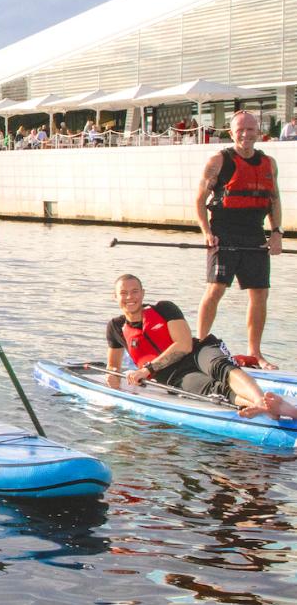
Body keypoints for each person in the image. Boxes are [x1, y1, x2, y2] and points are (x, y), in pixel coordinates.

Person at [107, 275, 296, 419]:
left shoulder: (164, 308)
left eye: (135, 291)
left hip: (198, 352)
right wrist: (112, 382)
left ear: (143, 293)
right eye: (123, 293)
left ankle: (259, 401)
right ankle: (271, 408)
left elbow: (184, 345)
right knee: (215, 390)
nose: (130, 297)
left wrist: (146, 370)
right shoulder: (115, 327)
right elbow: (113, 366)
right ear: (114, 297)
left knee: (220, 367)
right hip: (173, 377)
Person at [195, 110, 283, 369]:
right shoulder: (218, 161)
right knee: (216, 289)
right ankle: (200, 346)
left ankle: (255, 353)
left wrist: (276, 232)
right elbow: (199, 200)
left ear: (258, 131)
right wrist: (206, 232)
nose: (245, 134)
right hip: (224, 232)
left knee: (260, 293)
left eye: (250, 129)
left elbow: (274, 200)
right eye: (240, 130)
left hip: (255, 232)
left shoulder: (269, 163)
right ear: (231, 133)